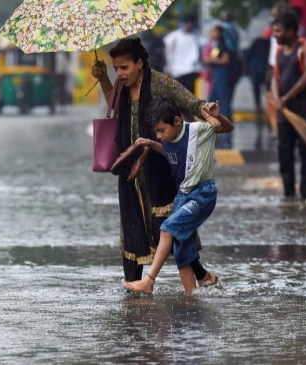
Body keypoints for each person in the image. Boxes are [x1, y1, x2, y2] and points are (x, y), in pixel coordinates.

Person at [90, 38, 220, 287]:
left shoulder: (160, 82)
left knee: (167, 225)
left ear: (140, 63)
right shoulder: (120, 85)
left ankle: (201, 274)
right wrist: (104, 79)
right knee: (132, 224)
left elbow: (190, 102)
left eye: (124, 68)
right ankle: (134, 285)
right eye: (116, 68)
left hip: (160, 164)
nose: (120, 73)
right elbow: (115, 108)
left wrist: (208, 112)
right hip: (130, 165)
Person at [122, 98, 233, 294]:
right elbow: (169, 153)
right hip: (183, 196)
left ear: (176, 121)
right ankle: (192, 296)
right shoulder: (167, 139)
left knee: (167, 229)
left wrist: (216, 117)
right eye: (156, 132)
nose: (160, 136)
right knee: (181, 249)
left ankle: (149, 281)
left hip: (202, 194)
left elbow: (227, 127)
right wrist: (150, 143)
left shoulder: (198, 130)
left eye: (161, 130)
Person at [271, 12, 306, 202]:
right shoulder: (280, 51)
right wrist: (277, 98)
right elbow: (276, 77)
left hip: (303, 107)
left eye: (278, 31)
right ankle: (288, 193)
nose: (275, 34)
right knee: (285, 151)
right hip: (285, 111)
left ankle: (305, 194)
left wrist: (286, 98)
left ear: (291, 31)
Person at [203, 25, 231, 149]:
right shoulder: (213, 45)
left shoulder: (222, 45)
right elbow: (206, 58)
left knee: (223, 102)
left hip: (222, 76)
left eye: (215, 31)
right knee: (211, 101)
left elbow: (225, 60)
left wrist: (212, 60)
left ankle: (226, 129)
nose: (213, 33)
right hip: (215, 77)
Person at [163, 13, 203, 96]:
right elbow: (168, 51)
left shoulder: (196, 36)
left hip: (191, 70)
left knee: (191, 96)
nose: (189, 25)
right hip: (178, 71)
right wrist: (168, 67)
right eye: (187, 22)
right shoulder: (174, 36)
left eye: (191, 22)